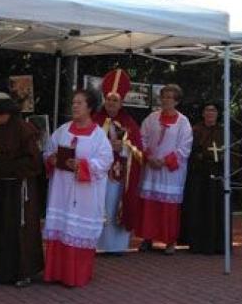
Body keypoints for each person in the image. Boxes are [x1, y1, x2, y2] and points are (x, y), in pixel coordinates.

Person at [43, 89, 113, 287]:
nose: (74, 106)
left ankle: (76, 276)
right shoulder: (63, 130)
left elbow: (105, 161)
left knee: (78, 231)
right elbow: (48, 150)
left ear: (90, 108)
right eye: (73, 102)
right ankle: (55, 273)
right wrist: (51, 158)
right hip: (61, 191)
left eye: (79, 103)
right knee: (60, 228)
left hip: (85, 195)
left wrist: (82, 165)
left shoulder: (99, 136)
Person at [0, 92, 45, 286]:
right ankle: (1, 271)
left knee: (19, 230)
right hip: (0, 188)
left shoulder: (24, 130)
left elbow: (34, 162)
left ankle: (23, 271)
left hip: (18, 189)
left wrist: (7, 166)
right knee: (0, 228)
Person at [136, 84, 193, 255]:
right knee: (149, 205)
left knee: (169, 208)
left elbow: (185, 147)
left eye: (170, 97)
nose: (166, 100)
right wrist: (149, 157)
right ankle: (147, 238)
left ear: (176, 101)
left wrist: (165, 161)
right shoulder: (151, 118)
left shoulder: (183, 122)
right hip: (151, 169)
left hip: (170, 173)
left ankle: (169, 241)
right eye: (164, 97)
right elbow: (141, 138)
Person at [91, 68, 143, 254]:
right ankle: (96, 244)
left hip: (119, 173)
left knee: (114, 206)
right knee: (99, 205)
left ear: (121, 103)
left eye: (115, 100)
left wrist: (124, 148)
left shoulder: (129, 123)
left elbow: (139, 153)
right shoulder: (94, 120)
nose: (111, 103)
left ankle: (116, 246)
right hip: (99, 174)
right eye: (108, 99)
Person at [183, 104, 225, 254]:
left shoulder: (223, 131)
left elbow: (232, 151)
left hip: (217, 174)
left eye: (213, 110)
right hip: (199, 175)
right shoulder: (195, 130)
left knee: (216, 207)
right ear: (203, 113)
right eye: (207, 110)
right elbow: (188, 150)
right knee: (198, 207)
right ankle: (197, 244)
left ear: (217, 113)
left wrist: (223, 159)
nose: (210, 113)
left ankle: (218, 244)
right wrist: (199, 157)